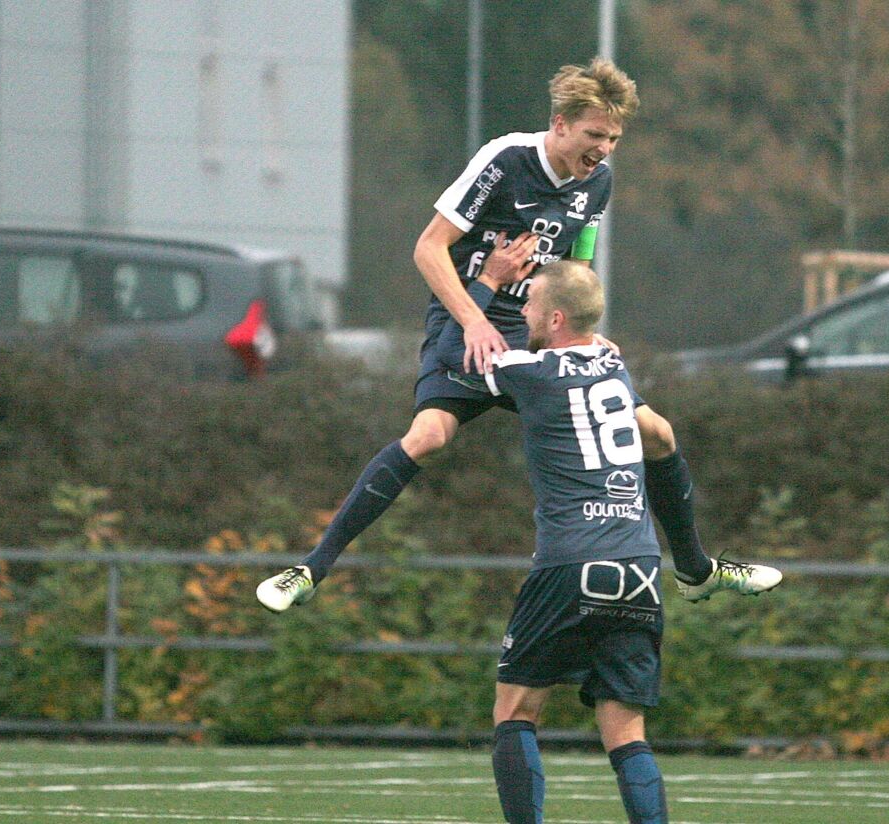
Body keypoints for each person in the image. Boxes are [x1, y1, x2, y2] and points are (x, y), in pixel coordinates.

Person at [257, 57, 776, 613]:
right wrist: (474, 319)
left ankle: (697, 571)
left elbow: (577, 263)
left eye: (613, 138)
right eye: (594, 135)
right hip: (469, 314)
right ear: (560, 124)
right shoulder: (505, 161)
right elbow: (428, 249)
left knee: (657, 433)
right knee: (428, 436)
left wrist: (583, 331)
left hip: (538, 322)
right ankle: (309, 570)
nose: (603, 149)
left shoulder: (597, 181)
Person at [452, 261, 779, 823]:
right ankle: (698, 570)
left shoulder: (530, 370)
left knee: (516, 711)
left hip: (569, 562)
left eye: (531, 304)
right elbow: (661, 436)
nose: (523, 311)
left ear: (556, 318)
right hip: (640, 564)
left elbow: (448, 355)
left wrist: (482, 291)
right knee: (626, 732)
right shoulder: (614, 366)